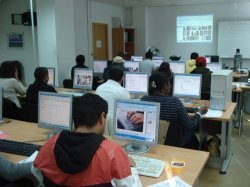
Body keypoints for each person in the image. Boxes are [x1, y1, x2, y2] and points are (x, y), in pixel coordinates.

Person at [32, 93, 141, 186]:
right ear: (102, 117)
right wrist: (131, 168)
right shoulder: (111, 152)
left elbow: (35, 172)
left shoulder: (51, 144)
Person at [141, 72, 208, 149]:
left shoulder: (144, 99)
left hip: (151, 139)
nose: (171, 86)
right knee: (191, 134)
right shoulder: (174, 102)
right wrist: (199, 113)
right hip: (172, 141)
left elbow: (163, 106)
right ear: (165, 86)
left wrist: (191, 110)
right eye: (169, 84)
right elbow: (190, 126)